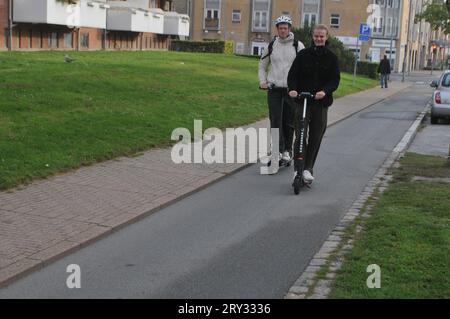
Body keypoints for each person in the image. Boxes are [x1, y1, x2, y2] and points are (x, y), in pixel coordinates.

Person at [287, 24, 340, 184]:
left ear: (326, 37)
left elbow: (335, 80)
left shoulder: (331, 57)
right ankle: (298, 168)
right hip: (302, 101)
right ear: (313, 37)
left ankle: (308, 168)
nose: (318, 39)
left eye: (321, 36)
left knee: (316, 136)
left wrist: (325, 91)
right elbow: (292, 75)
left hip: (321, 103)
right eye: (316, 36)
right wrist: (293, 89)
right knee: (301, 135)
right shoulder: (303, 55)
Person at [259, 16, 305, 163]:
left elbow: (304, 68)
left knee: (289, 121)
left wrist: (300, 86)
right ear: (277, 29)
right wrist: (263, 81)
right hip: (274, 89)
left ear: (289, 29)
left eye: (285, 28)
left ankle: (287, 150)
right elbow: (262, 66)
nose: (283, 30)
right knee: (275, 120)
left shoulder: (298, 46)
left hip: (291, 91)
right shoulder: (271, 45)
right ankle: (277, 151)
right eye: (280, 28)